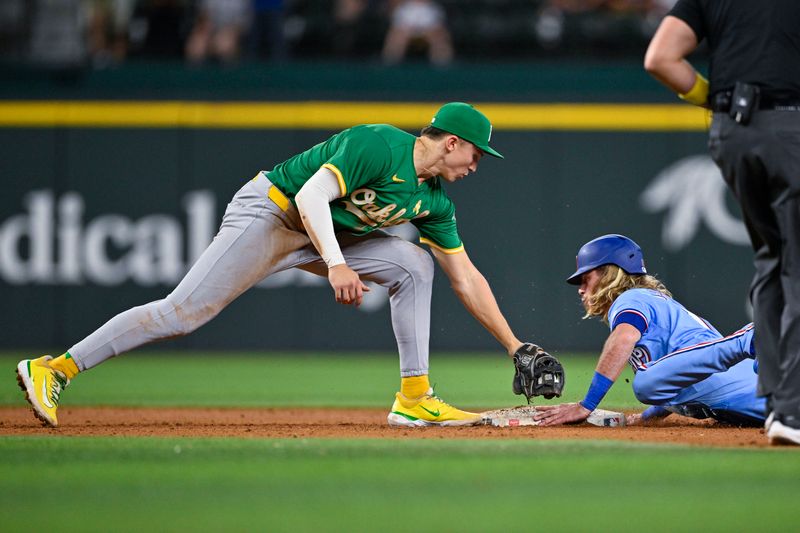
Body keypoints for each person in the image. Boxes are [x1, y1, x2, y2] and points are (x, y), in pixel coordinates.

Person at [16, 102, 533, 429]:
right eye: (477, 154)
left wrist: (515, 347)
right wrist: (335, 264)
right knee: (182, 314)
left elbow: (465, 278)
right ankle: (52, 368)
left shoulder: (435, 202)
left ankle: (415, 397)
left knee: (416, 266)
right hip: (272, 213)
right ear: (452, 142)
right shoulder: (378, 144)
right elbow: (311, 197)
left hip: (323, 238)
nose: (476, 165)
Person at [643, 1, 800, 444]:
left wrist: (711, 99)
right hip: (790, 125)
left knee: (773, 262)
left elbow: (660, 58)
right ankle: (792, 407)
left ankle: (776, 402)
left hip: (732, 130)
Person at [534, 234, 766, 427]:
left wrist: (586, 405)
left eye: (586, 278)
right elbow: (681, 378)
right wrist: (647, 417)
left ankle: (748, 338)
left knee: (646, 385)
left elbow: (623, 339)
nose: (581, 289)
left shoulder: (631, 298)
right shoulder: (649, 301)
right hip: (756, 396)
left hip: (740, 384)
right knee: (652, 385)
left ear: (609, 273)